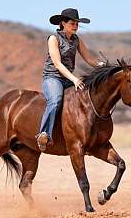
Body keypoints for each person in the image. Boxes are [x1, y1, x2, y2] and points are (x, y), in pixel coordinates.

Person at [35, 8, 105, 151]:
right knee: (55, 100)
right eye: (72, 23)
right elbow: (57, 64)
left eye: (77, 24)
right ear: (63, 23)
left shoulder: (76, 40)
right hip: (53, 77)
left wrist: (103, 65)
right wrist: (74, 79)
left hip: (68, 79)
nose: (75, 26)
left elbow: (89, 58)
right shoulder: (53, 38)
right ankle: (44, 134)